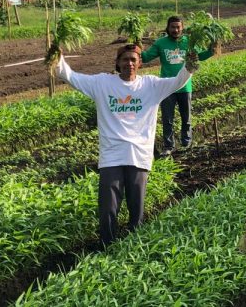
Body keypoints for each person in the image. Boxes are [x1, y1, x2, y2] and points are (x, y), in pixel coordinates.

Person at [55, 43, 198, 245]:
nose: (129, 63)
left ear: (139, 63)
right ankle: (107, 246)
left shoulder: (151, 85)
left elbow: (178, 81)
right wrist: (57, 57)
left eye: (133, 59)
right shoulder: (102, 84)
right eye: (125, 59)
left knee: (136, 209)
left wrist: (190, 64)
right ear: (117, 63)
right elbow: (70, 76)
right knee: (107, 209)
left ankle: (132, 248)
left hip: (139, 155)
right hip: (111, 156)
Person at [140, 16, 213, 155]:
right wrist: (138, 49)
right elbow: (147, 57)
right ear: (168, 28)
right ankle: (169, 146)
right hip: (167, 87)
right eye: (173, 27)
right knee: (167, 118)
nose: (175, 30)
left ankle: (187, 142)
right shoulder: (161, 43)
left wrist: (211, 49)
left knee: (186, 117)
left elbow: (200, 56)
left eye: (178, 27)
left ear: (182, 28)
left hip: (185, 86)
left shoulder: (188, 42)